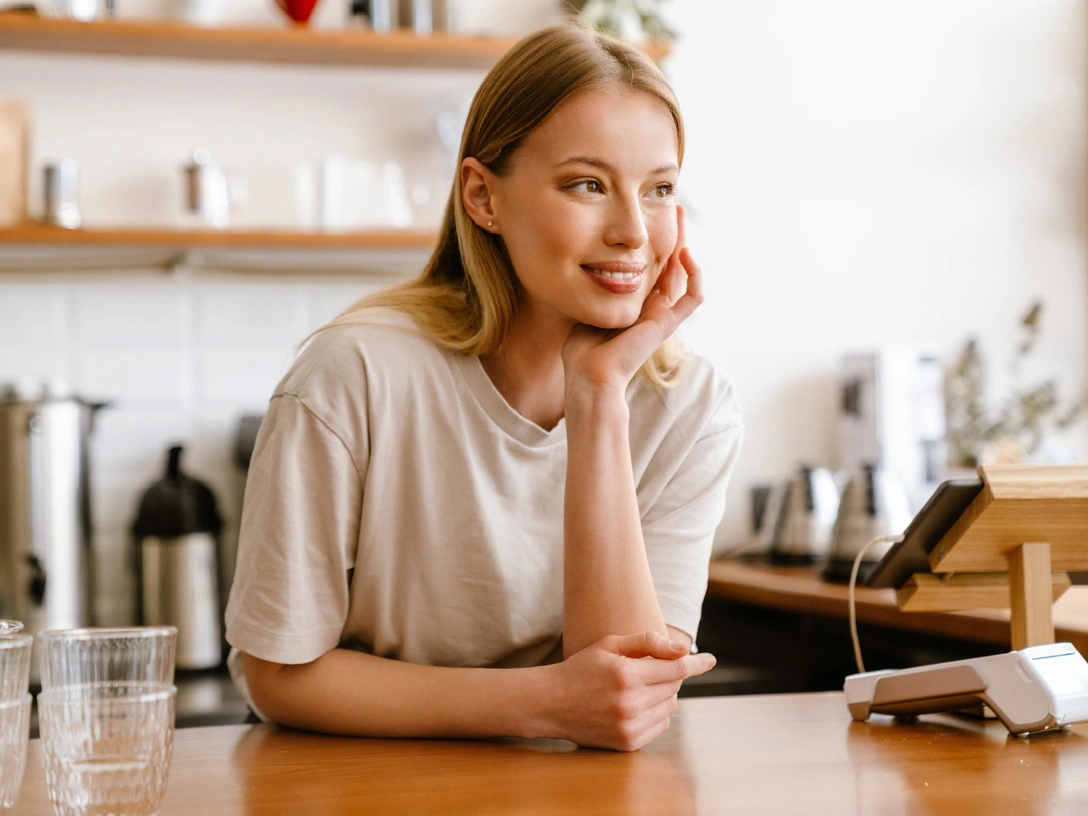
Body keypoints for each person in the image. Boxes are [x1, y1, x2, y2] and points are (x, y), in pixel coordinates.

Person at [224, 22, 743, 753]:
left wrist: (598, 396)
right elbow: (276, 672)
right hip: (361, 785)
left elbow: (624, 700)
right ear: (482, 197)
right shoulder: (352, 375)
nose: (633, 230)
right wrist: (538, 703)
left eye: (659, 189)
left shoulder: (693, 406)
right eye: (587, 184)